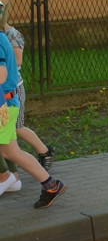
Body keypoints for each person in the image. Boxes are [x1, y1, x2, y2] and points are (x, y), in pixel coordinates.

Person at [0, 25, 67, 206]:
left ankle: (47, 184)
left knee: (9, 151)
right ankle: (51, 185)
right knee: (11, 151)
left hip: (3, 106)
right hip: (6, 103)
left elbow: (2, 74)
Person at [0, 0, 55, 171]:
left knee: (16, 127)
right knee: (8, 134)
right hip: (5, 90)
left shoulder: (11, 35)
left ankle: (44, 151)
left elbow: (15, 64)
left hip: (14, 89)